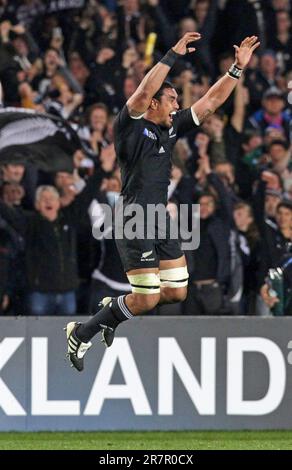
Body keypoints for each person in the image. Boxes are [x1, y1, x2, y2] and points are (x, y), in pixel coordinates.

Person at [64, 32, 260, 371]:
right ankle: (82, 332)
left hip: (160, 218)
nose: (177, 106)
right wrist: (172, 54)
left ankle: (113, 311)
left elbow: (210, 102)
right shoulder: (129, 126)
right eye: (171, 100)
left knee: (176, 293)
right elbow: (141, 91)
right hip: (132, 218)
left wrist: (236, 70)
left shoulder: (170, 129)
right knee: (148, 298)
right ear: (153, 103)